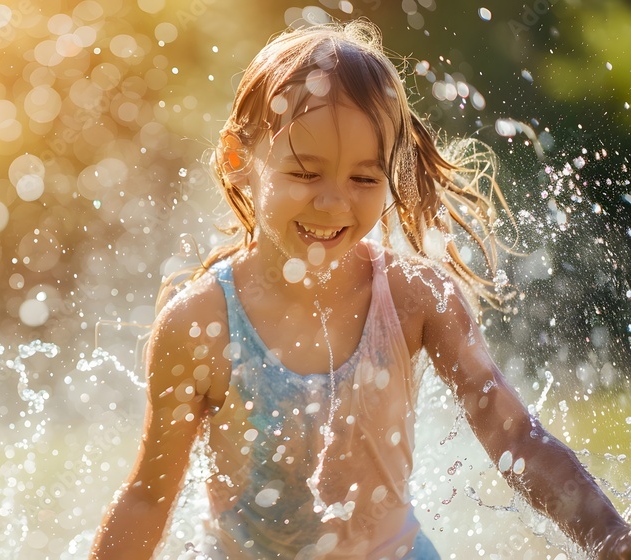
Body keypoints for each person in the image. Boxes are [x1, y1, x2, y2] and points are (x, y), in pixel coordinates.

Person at [89, 20, 631, 560]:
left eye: (365, 179)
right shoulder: (199, 324)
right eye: (305, 173)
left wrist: (611, 538)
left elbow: (514, 437)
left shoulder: (414, 297)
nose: (333, 203)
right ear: (238, 161)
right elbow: (147, 497)